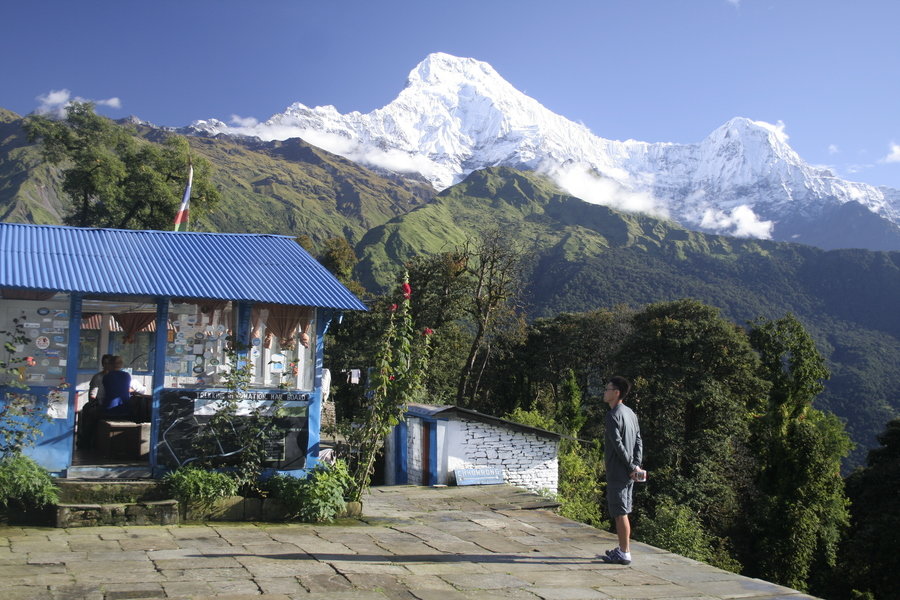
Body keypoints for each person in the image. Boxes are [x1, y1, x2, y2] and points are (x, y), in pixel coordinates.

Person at [601, 375, 643, 566]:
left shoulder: (612, 416)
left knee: (620, 513)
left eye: (607, 389)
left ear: (616, 393)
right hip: (629, 472)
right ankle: (621, 548)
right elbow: (638, 441)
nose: (605, 391)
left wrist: (631, 466)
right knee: (624, 510)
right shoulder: (631, 414)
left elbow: (618, 446)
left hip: (619, 471)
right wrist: (636, 465)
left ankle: (624, 552)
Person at [77, 354, 113, 449]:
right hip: (100, 405)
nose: (107, 365)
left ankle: (86, 441)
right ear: (102, 364)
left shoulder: (119, 377)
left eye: (109, 363)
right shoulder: (98, 377)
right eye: (105, 363)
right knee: (87, 410)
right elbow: (92, 395)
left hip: (113, 406)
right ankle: (86, 442)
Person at [101, 355, 136, 420]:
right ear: (121, 365)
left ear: (110, 364)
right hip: (124, 407)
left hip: (109, 408)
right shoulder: (127, 375)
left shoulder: (106, 377)